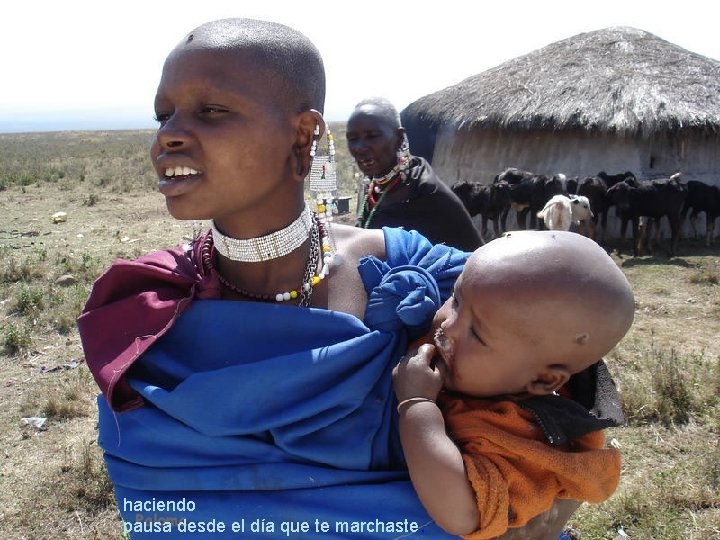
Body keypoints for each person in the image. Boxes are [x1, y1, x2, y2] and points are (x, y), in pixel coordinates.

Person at [77, 18, 470, 539]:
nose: (168, 134)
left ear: (303, 135)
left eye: (211, 110)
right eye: (163, 114)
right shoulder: (145, 303)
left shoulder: (408, 270)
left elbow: (559, 353)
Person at [392, 230, 635, 540]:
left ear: (543, 380)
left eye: (476, 335)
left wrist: (416, 405)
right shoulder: (486, 360)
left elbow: (462, 514)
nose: (447, 327)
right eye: (455, 300)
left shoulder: (520, 439)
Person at [347, 97, 482, 251]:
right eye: (353, 139)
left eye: (372, 136)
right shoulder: (370, 187)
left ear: (398, 138)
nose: (360, 147)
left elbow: (474, 256)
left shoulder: (428, 193)